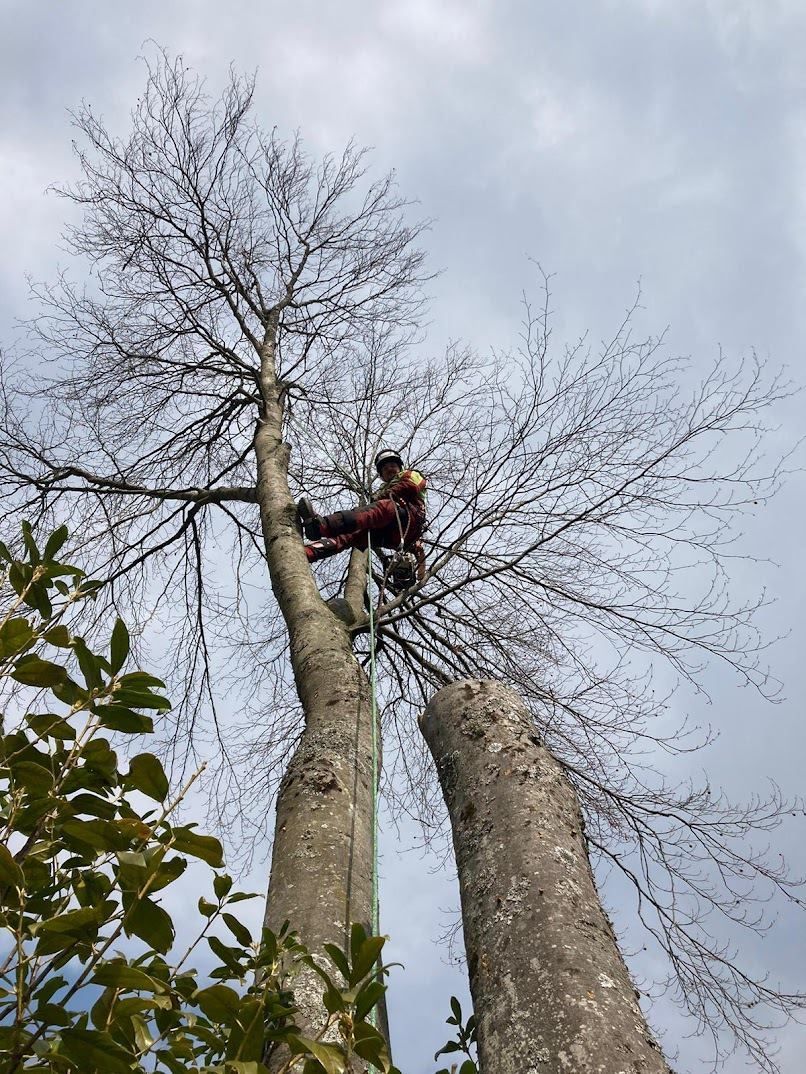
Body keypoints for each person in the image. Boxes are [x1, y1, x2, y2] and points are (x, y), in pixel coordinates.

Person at [299, 449, 427, 579]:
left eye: (393, 466)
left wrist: (382, 496)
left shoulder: (411, 474)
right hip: (388, 534)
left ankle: (323, 526)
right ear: (381, 475)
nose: (389, 469)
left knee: (383, 508)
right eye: (385, 468)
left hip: (408, 519)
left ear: (400, 467)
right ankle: (308, 552)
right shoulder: (382, 490)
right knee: (353, 535)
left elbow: (410, 486)